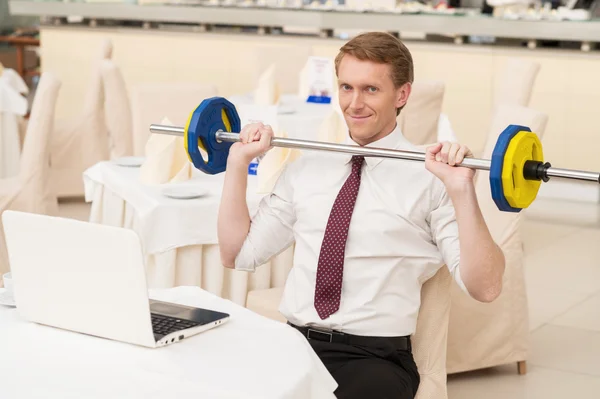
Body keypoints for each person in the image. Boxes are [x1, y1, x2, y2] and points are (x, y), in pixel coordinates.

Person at [217, 32, 505, 399]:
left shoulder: (432, 180)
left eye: (371, 89)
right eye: (346, 87)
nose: (354, 103)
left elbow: (486, 287)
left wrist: (462, 190)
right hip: (293, 343)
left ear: (402, 94)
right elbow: (237, 254)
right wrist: (237, 163)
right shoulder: (307, 169)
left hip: (373, 358)